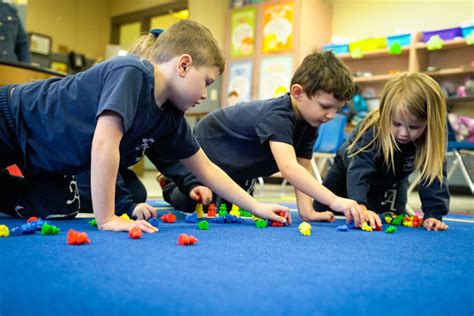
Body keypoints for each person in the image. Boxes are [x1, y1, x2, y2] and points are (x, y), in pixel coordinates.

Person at [0, 20, 290, 233]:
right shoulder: (133, 73)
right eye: (206, 83)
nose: (204, 94)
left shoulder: (170, 116)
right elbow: (104, 144)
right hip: (12, 120)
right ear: (184, 65)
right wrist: (108, 218)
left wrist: (257, 208)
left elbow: (207, 169)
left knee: (60, 207)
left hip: (44, 160)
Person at [160, 50, 367, 227]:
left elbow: (301, 168)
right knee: (201, 201)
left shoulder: (310, 122)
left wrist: (307, 211)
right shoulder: (278, 114)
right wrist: (334, 200)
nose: (331, 115)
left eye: (336, 109)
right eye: (325, 106)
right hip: (208, 149)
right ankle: (171, 183)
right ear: (297, 93)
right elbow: (289, 168)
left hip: (238, 168)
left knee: (232, 209)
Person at [313, 72, 450, 231]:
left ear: (429, 123)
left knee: (390, 218)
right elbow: (358, 169)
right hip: (346, 176)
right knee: (323, 212)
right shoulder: (372, 130)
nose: (403, 133)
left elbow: (434, 176)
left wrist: (433, 214)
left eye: (413, 127)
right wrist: (360, 205)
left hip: (391, 180)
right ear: (386, 115)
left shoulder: (430, 138)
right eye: (396, 124)